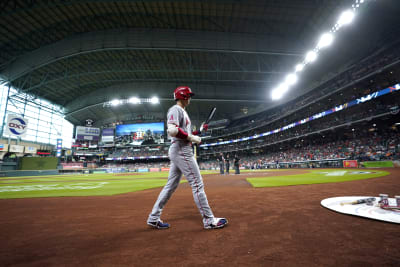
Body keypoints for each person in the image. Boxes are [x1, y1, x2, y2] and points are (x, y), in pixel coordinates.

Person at [147, 86, 228, 230]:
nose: (190, 98)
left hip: (179, 148)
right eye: (189, 96)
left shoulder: (182, 112)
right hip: (181, 149)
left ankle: (153, 217)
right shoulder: (176, 109)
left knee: (170, 185)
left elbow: (184, 132)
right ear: (183, 96)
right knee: (197, 184)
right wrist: (192, 137)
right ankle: (209, 220)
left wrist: (199, 131)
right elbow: (173, 130)